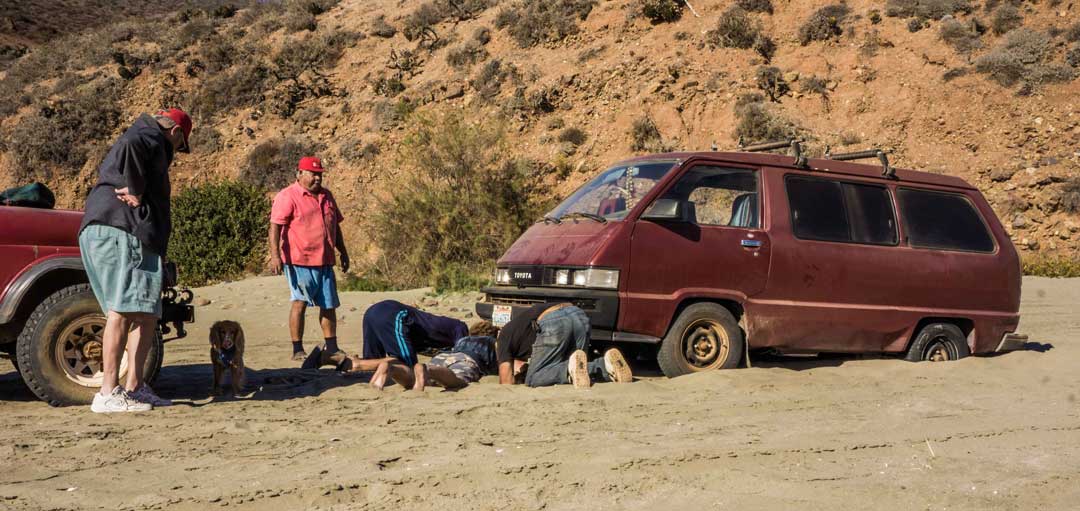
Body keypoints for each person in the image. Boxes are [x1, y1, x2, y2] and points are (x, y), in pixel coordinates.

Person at [78, 108, 192, 413]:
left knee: (145, 314)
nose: (176, 154)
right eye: (179, 147)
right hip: (123, 229)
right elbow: (132, 145)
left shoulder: (147, 136)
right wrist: (136, 189)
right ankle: (108, 392)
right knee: (123, 311)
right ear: (176, 133)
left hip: (123, 232)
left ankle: (135, 387)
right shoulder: (150, 134)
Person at [268, 156, 350, 364]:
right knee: (300, 303)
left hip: (325, 259)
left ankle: (331, 346)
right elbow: (275, 227)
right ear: (300, 174)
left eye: (320, 174)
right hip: (299, 260)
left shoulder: (327, 196)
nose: (317, 178)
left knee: (329, 304)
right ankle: (297, 348)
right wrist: (275, 255)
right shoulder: (288, 196)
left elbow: (336, 227)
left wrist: (343, 251)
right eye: (313, 174)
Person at [497, 302, 632, 388]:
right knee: (580, 371)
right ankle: (606, 365)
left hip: (553, 321)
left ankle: (570, 368)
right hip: (578, 314)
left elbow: (506, 382)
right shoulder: (518, 331)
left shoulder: (502, 338)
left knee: (533, 378)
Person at [318, 299, 467, 377]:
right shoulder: (462, 330)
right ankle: (352, 363)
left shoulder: (453, 331)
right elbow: (463, 359)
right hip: (392, 314)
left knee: (371, 364)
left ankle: (327, 357)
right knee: (409, 368)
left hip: (374, 313)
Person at [365, 321, 500, 391]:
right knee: (457, 380)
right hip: (467, 360)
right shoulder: (490, 342)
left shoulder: (463, 339)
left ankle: (392, 368)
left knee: (413, 380)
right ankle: (427, 370)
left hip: (445, 355)